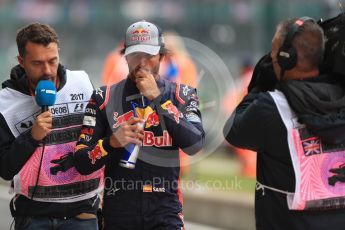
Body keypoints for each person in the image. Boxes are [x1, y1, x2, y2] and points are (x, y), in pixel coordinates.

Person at [73, 20, 204, 229]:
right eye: (135, 56)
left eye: (149, 56)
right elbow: (80, 162)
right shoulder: (103, 97)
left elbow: (195, 144)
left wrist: (159, 100)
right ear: (125, 57)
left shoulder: (182, 95)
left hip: (166, 210)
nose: (142, 63)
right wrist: (111, 143)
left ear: (161, 56)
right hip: (119, 211)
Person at [223, 17, 345, 230]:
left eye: (275, 51)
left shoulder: (271, 107)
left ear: (287, 58)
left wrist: (262, 82)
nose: (272, 56)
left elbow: (232, 130)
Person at [0, 23, 103, 229]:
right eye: (37, 63)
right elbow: (5, 169)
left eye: (52, 61)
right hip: (33, 216)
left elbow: (97, 138)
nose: (47, 70)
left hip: (83, 213)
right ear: (21, 61)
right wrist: (31, 137)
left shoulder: (82, 83)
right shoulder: (6, 103)